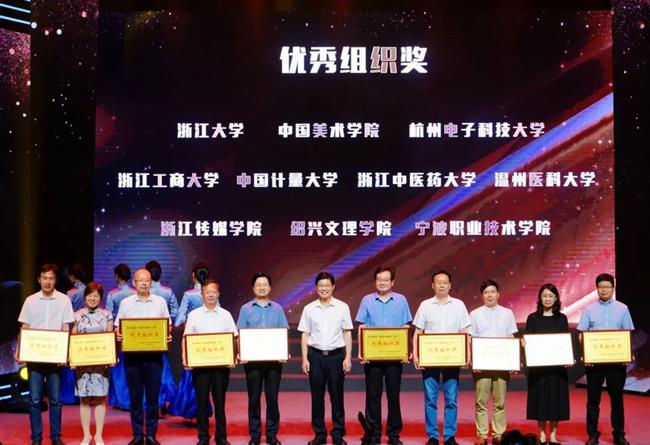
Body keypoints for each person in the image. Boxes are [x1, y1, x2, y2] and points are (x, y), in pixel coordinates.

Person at [16, 263, 75, 445]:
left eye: (51, 278)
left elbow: (65, 328)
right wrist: (19, 350)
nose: (48, 281)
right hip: (35, 357)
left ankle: (56, 437)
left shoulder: (64, 300)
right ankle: (36, 438)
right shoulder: (30, 301)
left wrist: (66, 353)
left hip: (55, 358)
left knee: (55, 400)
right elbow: (25, 327)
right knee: (34, 399)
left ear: (55, 280)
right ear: (39, 280)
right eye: (44, 278)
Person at [355, 266, 412, 445]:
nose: (382, 282)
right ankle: (373, 434)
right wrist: (361, 351)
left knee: (393, 396)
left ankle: (394, 435)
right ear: (375, 281)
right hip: (373, 358)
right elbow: (362, 327)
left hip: (395, 357)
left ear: (392, 282)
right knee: (373, 397)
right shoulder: (367, 300)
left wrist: (406, 351)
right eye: (379, 279)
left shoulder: (401, 300)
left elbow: (405, 327)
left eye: (386, 279)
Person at [412, 270, 471, 445]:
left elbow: (464, 332)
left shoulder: (459, 305)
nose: (442, 285)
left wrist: (467, 353)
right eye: (438, 282)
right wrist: (416, 353)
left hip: (452, 358)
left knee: (451, 399)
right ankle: (432, 436)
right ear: (433, 285)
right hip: (430, 359)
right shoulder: (425, 305)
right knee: (430, 399)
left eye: (445, 282)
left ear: (450, 285)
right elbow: (418, 332)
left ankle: (449, 435)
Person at [115, 268, 171, 445]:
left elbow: (167, 325)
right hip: (132, 358)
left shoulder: (160, 302)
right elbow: (118, 327)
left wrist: (166, 334)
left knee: (153, 397)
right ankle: (138, 434)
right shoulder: (126, 303)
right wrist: (118, 334)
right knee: (135, 397)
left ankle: (152, 434)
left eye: (147, 280)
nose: (144, 283)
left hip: (154, 358)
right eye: (141, 280)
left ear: (151, 282)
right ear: (134, 283)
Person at [577, 274, 634, 445]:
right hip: (594, 363)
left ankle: (619, 434)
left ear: (613, 288)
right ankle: (592, 434)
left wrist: (628, 353)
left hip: (616, 363)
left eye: (607, 287)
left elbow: (627, 334)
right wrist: (586, 353)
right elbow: (581, 335)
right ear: (597, 289)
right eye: (601, 287)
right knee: (593, 400)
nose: (604, 290)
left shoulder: (622, 308)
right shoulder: (589, 309)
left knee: (617, 399)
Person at [298, 271, 353, 445]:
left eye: (327, 285)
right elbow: (305, 334)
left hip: (336, 357)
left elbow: (347, 333)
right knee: (317, 397)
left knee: (337, 397)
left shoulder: (342, 307)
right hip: (315, 356)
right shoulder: (309, 308)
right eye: (321, 285)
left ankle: (338, 434)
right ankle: (319, 434)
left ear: (333, 287)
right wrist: (305, 359)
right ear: (316, 288)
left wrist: (348, 357)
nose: (324, 288)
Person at [182, 279, 238, 445]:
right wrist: (185, 358)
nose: (211, 295)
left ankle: (221, 437)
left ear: (218, 294)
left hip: (221, 366)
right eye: (207, 292)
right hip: (200, 367)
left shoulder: (226, 314)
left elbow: (234, 338)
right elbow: (186, 338)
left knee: (220, 403)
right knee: (201, 403)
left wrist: (234, 356)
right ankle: (203, 437)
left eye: (214, 292)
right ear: (202, 294)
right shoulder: (194, 315)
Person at [237, 272, 289, 445]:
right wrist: (241, 352)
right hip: (252, 362)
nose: (262, 287)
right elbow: (240, 334)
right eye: (258, 284)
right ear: (253, 288)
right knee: (254, 399)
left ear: (270, 287)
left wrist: (284, 352)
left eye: (265, 284)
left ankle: (272, 435)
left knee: (272, 398)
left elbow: (283, 332)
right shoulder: (245, 309)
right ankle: (255, 435)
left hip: (274, 361)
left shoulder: (278, 308)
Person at [469, 280, 518, 445]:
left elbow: (511, 337)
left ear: (498, 294)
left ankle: (499, 434)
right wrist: (474, 362)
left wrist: (512, 361)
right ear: (482, 295)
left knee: (500, 402)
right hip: (482, 365)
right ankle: (482, 435)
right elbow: (471, 339)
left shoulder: (507, 313)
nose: (489, 295)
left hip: (501, 364)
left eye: (492, 292)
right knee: (481, 402)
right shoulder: (474, 314)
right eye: (486, 292)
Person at [524, 283, 570, 445]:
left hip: (557, 369)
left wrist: (567, 357)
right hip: (538, 368)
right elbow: (527, 340)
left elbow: (565, 342)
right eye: (544, 296)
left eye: (550, 296)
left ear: (556, 298)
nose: (547, 299)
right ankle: (542, 433)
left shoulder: (562, 318)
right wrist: (524, 343)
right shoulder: (532, 318)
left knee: (555, 400)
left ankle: (553, 435)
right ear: (540, 298)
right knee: (541, 400)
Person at [72, 282, 113, 445]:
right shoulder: (77, 315)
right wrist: (72, 359)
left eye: (96, 296)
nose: (93, 298)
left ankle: (99, 435)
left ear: (100, 298)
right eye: (90, 295)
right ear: (85, 297)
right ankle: (86, 435)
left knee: (101, 400)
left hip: (101, 365)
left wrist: (110, 357)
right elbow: (73, 338)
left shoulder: (107, 314)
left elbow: (110, 336)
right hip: (82, 365)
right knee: (84, 400)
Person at [170, 262, 211, 419]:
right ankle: (202, 408)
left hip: (192, 336)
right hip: (209, 336)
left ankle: (191, 408)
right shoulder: (211, 292)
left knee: (191, 373)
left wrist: (179, 322)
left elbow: (180, 318)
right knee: (205, 373)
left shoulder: (189, 294)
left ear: (193, 276)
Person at [144, 260, 177, 412]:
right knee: (162, 368)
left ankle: (153, 402)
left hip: (143, 336)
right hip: (161, 335)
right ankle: (162, 401)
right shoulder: (167, 291)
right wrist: (168, 326)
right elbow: (174, 312)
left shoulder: (140, 292)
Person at [105, 263, 136, 410]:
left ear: (117, 276)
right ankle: (132, 399)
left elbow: (109, 316)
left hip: (118, 333)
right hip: (134, 334)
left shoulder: (112, 294)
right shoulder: (135, 293)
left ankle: (120, 400)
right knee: (132, 367)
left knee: (119, 367)